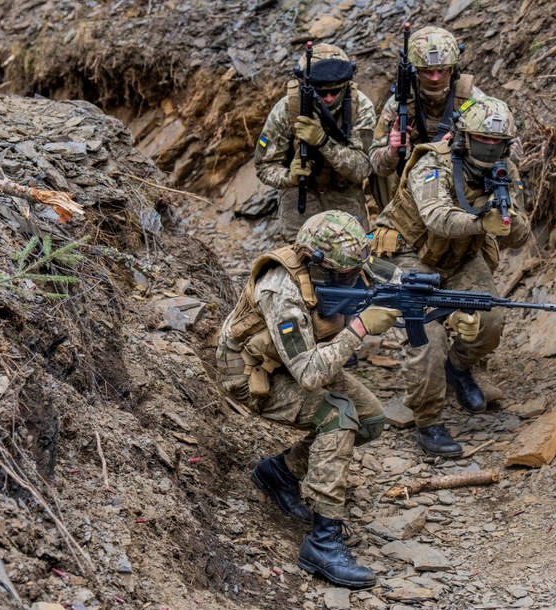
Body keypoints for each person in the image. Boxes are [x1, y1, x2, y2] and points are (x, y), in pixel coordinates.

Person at [215, 210, 403, 589]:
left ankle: (280, 473)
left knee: (371, 419)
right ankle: (322, 541)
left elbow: (389, 277)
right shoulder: (281, 292)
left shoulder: (342, 267)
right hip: (254, 375)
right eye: (346, 275)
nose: (355, 278)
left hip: (299, 360)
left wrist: (423, 300)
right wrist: (361, 328)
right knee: (337, 414)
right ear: (320, 266)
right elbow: (311, 375)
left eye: (355, 271)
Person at [371, 95, 531, 458]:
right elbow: (436, 217)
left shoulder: (506, 170)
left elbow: (522, 232)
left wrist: (507, 222)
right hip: (411, 251)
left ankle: (458, 369)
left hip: (460, 256)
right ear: (463, 137)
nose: (489, 150)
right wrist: (481, 222)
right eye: (482, 141)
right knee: (426, 339)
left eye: (496, 144)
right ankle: (428, 420)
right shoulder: (433, 163)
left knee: (490, 321)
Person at [254, 44, 376, 241]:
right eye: (321, 92)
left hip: (344, 196)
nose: (328, 98)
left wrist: (323, 142)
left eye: (335, 91)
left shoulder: (360, 107)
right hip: (300, 198)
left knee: (353, 259)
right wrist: (290, 176)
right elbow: (263, 166)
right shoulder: (286, 110)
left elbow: (363, 168)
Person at [368, 25, 484, 208]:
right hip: (411, 192)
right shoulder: (399, 104)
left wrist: (469, 143)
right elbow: (376, 166)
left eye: (442, 70)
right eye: (428, 71)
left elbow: (511, 150)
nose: (435, 78)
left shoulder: (473, 100)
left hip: (462, 192)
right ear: (415, 71)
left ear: (453, 68)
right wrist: (391, 151)